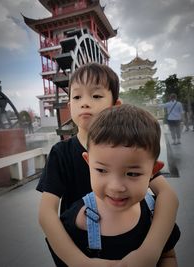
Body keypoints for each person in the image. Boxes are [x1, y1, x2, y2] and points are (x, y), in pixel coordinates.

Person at [38, 63, 179, 267]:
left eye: (96, 96)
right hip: (83, 242)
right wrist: (80, 262)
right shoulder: (61, 153)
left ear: (115, 104)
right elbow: (46, 213)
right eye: (77, 97)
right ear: (69, 106)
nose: (85, 103)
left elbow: (168, 197)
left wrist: (150, 250)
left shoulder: (130, 147)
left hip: (131, 233)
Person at [60, 104, 180, 266]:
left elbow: (167, 257)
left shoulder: (155, 215)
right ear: (88, 163)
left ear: (153, 171)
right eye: (102, 170)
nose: (116, 187)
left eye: (132, 174)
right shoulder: (77, 220)